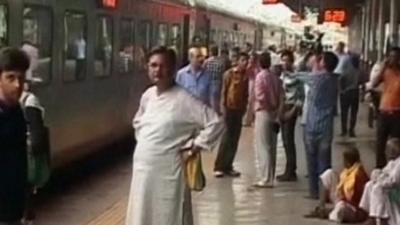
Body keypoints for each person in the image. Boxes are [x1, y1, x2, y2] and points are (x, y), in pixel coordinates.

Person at [125, 46, 224, 225]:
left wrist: (194, 146)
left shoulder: (184, 99)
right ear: (148, 67)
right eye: (153, 65)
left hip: (169, 173)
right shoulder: (148, 96)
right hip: (143, 172)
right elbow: (138, 122)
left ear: (173, 68)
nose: (158, 70)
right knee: (142, 214)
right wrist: (149, 143)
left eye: (163, 66)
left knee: (169, 216)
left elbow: (216, 122)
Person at [0, 47, 30, 225]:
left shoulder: (17, 111)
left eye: (21, 78)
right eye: (10, 78)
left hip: (13, 211)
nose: (17, 85)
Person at [304, 52, 339, 199]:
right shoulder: (335, 79)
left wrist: (314, 65)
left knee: (312, 162)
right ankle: (325, 194)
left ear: (323, 63)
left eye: (321, 59)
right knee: (324, 164)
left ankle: (313, 192)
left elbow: (296, 76)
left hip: (312, 124)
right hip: (326, 127)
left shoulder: (316, 79)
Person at [305, 146, 369, 223]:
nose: (343, 162)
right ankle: (321, 208)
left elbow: (358, 200)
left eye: (344, 160)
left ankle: (327, 212)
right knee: (328, 174)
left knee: (341, 208)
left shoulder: (359, 175)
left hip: (354, 208)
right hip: (343, 200)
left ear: (348, 162)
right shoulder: (348, 171)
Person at [214, 52, 249, 178]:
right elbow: (224, 91)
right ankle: (219, 166)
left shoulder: (245, 76)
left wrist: (245, 108)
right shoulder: (228, 74)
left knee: (235, 138)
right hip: (228, 109)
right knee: (226, 137)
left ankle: (228, 165)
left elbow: (246, 93)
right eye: (243, 60)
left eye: (247, 60)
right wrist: (222, 108)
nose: (245, 63)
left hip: (239, 110)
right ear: (238, 61)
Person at [252, 51, 284, 188]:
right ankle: (271, 176)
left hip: (263, 112)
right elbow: (282, 96)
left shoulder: (260, 77)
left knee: (263, 145)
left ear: (259, 63)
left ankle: (265, 179)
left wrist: (267, 105)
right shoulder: (276, 78)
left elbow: (260, 96)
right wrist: (276, 110)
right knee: (272, 146)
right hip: (274, 113)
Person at [368, 47, 400, 168]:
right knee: (380, 145)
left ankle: (394, 171)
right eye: (391, 57)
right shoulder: (385, 71)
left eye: (396, 57)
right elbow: (374, 83)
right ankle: (380, 170)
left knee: (395, 146)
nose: (393, 60)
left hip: (397, 113)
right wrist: (383, 68)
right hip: (384, 112)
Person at [277, 50, 304, 182]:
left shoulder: (296, 77)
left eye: (287, 60)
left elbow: (300, 95)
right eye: (283, 59)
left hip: (290, 107)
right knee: (285, 140)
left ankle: (291, 171)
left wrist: (295, 109)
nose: (284, 62)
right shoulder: (282, 75)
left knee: (288, 139)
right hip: (282, 107)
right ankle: (289, 169)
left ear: (292, 61)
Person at [359, 138, 400, 225]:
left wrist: (380, 179)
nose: (386, 152)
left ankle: (378, 218)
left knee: (379, 188)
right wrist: (378, 176)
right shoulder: (392, 162)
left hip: (397, 192)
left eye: (388, 149)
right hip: (391, 188)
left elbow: (393, 181)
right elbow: (383, 173)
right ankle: (370, 214)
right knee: (369, 185)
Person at [340, 54, 361, 137]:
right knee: (354, 113)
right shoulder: (359, 69)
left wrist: (341, 90)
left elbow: (341, 78)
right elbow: (362, 80)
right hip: (355, 92)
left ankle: (344, 130)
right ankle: (351, 130)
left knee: (344, 113)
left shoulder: (346, 68)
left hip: (346, 93)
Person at [204, 45, 226, 114]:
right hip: (218, 82)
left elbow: (203, 71)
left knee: (209, 99)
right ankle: (216, 112)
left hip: (208, 82)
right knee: (217, 99)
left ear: (211, 52)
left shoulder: (207, 62)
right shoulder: (221, 62)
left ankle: (210, 112)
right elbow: (223, 72)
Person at [243, 52, 261, 126]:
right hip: (251, 84)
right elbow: (246, 75)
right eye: (250, 58)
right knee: (250, 102)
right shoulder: (249, 66)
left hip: (257, 84)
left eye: (253, 58)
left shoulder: (258, 67)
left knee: (256, 102)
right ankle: (248, 120)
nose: (251, 60)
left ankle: (255, 119)